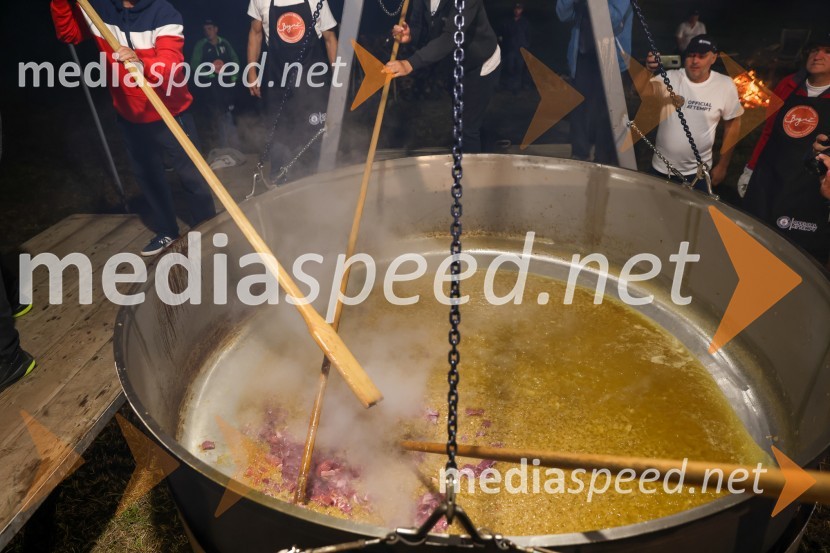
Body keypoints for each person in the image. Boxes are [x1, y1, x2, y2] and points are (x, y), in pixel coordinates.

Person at [50, 0, 217, 257]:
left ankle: (210, 229)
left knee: (192, 176)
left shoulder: (164, 13)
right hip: (129, 113)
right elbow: (69, 34)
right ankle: (167, 231)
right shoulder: (99, 9)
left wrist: (140, 62)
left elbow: (170, 65)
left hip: (170, 111)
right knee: (148, 177)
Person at [741, 32, 830, 263]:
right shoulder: (788, 85)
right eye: (814, 50)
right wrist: (750, 169)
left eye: (827, 52)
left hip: (809, 188)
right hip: (769, 179)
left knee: (798, 260)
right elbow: (768, 132)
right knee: (753, 248)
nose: (818, 55)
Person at [385, 0, 501, 154]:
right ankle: (475, 152)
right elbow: (422, 28)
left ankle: (474, 173)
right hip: (453, 63)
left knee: (468, 128)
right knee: (460, 121)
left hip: (480, 63)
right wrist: (410, 35)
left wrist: (410, 63)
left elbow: (450, 37)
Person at [246, 0, 338, 184]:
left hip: (312, 76)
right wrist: (251, 71)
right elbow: (255, 34)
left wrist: (337, 74)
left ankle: (321, 182)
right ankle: (279, 182)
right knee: (279, 132)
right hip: (277, 76)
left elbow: (329, 38)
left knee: (315, 133)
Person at [642, 35, 743, 190]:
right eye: (691, 56)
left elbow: (733, 125)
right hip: (660, 168)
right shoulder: (670, 77)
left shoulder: (725, 85)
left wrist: (723, 165)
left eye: (702, 56)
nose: (695, 61)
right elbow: (643, 94)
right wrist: (647, 70)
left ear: (713, 58)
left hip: (697, 174)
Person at [556, 0, 633, 165]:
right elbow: (563, 14)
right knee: (579, 112)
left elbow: (612, 19)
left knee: (606, 115)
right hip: (582, 57)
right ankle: (579, 156)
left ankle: (604, 163)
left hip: (610, 60)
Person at [191, 19, 242, 151]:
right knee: (218, 116)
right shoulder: (201, 45)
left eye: (210, 28)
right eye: (205, 29)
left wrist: (233, 77)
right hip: (210, 87)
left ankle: (236, 148)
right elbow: (194, 66)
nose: (207, 32)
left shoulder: (224, 43)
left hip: (227, 84)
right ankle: (223, 148)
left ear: (216, 29)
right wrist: (210, 74)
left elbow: (235, 60)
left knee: (230, 113)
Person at [500, 2, 531, 93]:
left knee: (519, 68)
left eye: (519, 9)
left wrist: (526, 45)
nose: (517, 11)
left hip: (521, 50)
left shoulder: (525, 22)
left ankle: (517, 87)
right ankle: (510, 86)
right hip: (510, 49)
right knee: (510, 67)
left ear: (522, 10)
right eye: (516, 9)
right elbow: (503, 34)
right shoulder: (508, 22)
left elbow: (528, 35)